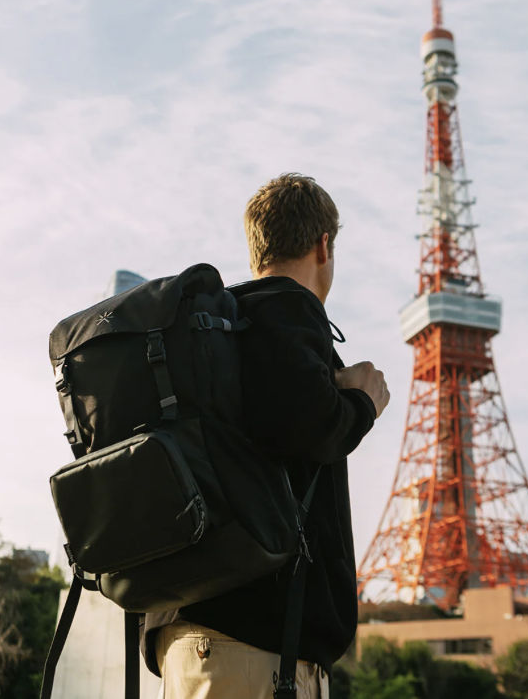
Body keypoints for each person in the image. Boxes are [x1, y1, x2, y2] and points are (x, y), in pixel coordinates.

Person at [143, 173, 390, 699]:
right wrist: (363, 401)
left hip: (188, 634)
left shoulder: (217, 331)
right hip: (255, 648)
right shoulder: (287, 310)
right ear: (324, 246)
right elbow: (309, 426)